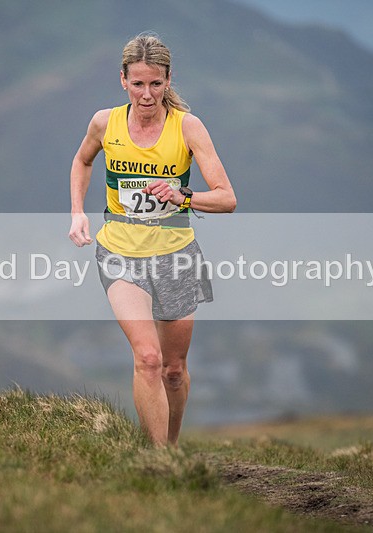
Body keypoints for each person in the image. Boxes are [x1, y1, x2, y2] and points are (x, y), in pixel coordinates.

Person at [69, 33, 236, 446]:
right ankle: (156, 463)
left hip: (176, 256)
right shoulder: (104, 122)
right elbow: (81, 160)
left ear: (168, 81)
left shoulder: (188, 127)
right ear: (122, 80)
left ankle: (171, 446)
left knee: (173, 369)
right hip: (119, 253)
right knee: (147, 357)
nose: (147, 94)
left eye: (156, 84)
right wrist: (76, 212)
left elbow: (228, 198)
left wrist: (185, 195)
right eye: (138, 83)